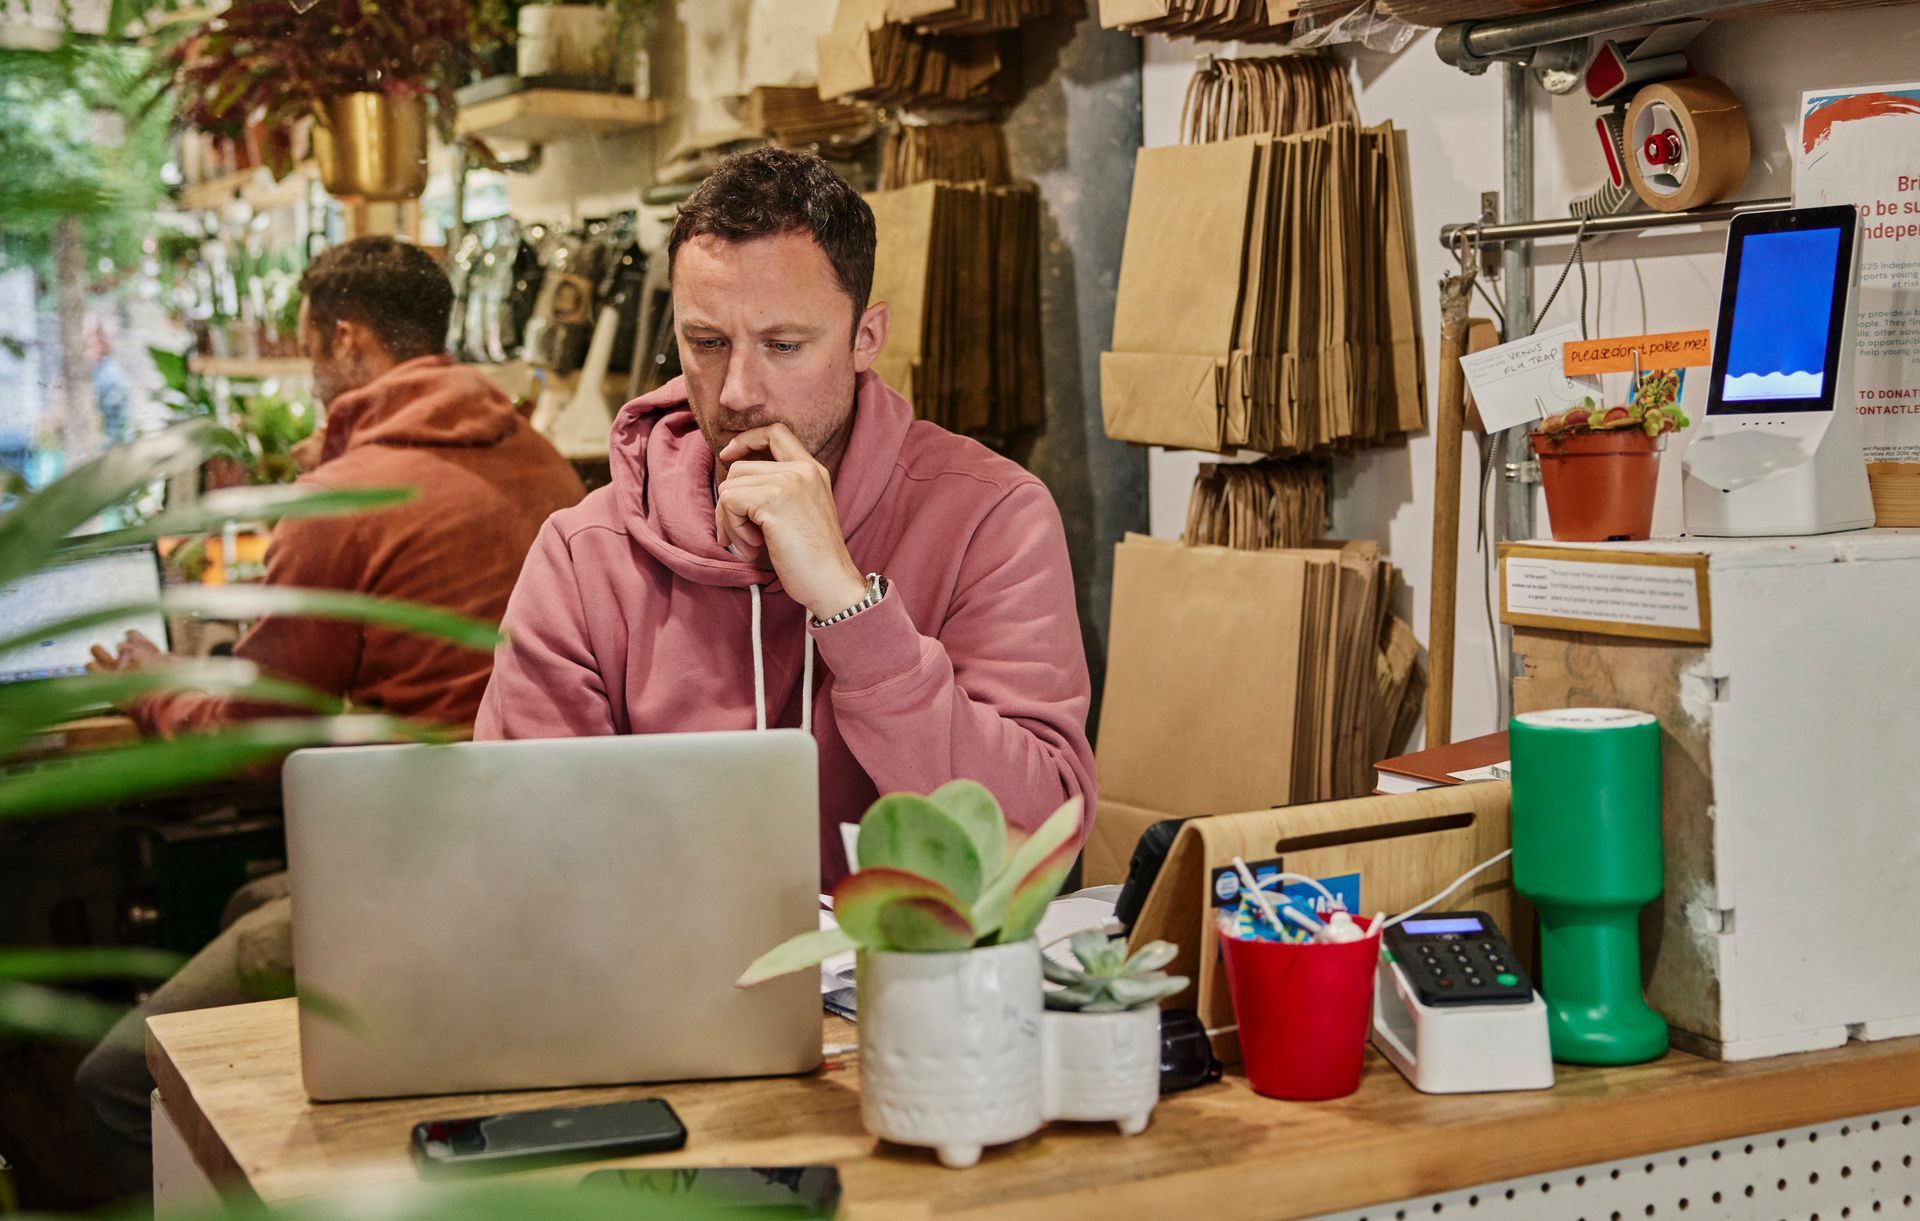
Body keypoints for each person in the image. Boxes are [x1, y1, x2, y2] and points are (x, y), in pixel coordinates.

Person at [75, 236, 585, 1195]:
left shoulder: (349, 492)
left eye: (309, 347)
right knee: (246, 903)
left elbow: (261, 741)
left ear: (347, 339)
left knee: (111, 1081)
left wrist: (150, 683)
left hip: (421, 888)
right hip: (548, 867)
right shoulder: (545, 460)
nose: (310, 377)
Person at [476, 147, 1096, 883]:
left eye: (784, 345)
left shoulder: (991, 516)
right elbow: (520, 850)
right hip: (670, 987)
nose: (738, 390)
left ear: (867, 338)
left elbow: (1035, 849)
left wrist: (849, 606)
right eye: (705, 343)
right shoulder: (585, 554)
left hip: (912, 985)